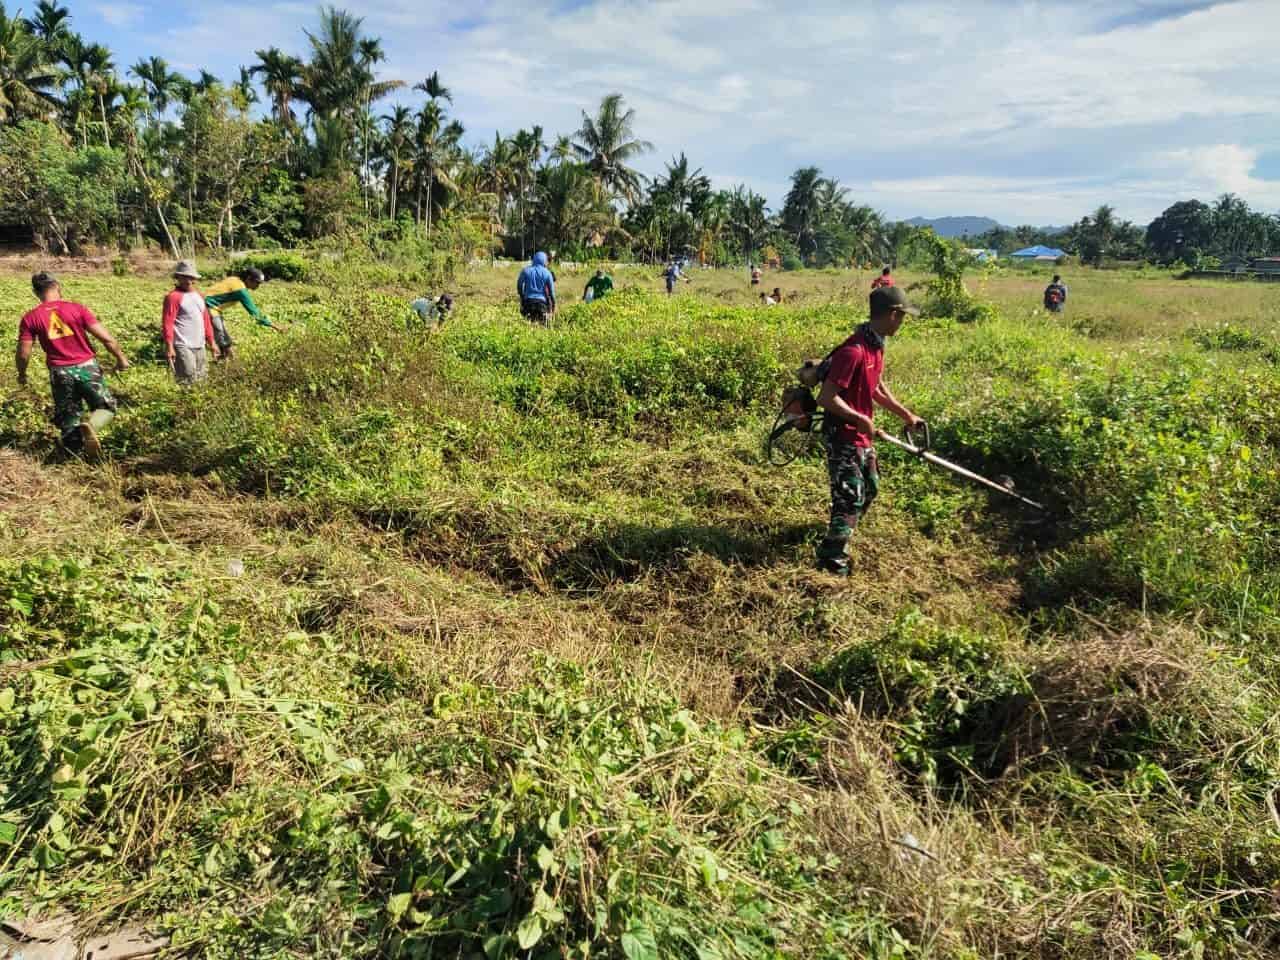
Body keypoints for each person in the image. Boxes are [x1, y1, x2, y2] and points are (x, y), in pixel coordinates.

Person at [815, 285, 925, 576]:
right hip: (843, 435)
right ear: (891, 314)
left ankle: (842, 525)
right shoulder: (853, 351)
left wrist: (906, 415)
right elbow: (826, 398)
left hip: (861, 435)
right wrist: (860, 418)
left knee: (870, 488)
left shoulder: (875, 346)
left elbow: (875, 388)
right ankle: (831, 559)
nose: (902, 323)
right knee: (851, 495)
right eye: (902, 317)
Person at [16, 271, 129, 458]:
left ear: (36, 292)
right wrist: (121, 359)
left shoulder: (30, 318)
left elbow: (23, 352)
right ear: (58, 286)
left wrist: (22, 374)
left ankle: (72, 460)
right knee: (106, 407)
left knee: (69, 418)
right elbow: (107, 339)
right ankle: (91, 427)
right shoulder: (77, 309)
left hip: (59, 372)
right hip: (87, 368)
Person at [203, 267, 280, 359]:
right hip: (207, 306)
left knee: (222, 335)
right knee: (220, 334)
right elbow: (254, 311)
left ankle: (227, 358)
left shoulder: (235, 280)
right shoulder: (240, 289)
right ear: (248, 279)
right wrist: (274, 326)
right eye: (257, 283)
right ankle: (223, 358)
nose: (258, 286)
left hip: (211, 306)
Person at [162, 260, 219, 383]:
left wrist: (212, 343)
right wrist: (169, 347)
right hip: (182, 345)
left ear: (194, 278)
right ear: (178, 278)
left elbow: (206, 321)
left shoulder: (199, 295)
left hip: (200, 344)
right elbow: (168, 323)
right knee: (187, 379)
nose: (188, 281)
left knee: (202, 379)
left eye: (190, 277)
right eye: (184, 277)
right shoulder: (173, 297)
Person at [517, 251, 556, 323]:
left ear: (534, 260)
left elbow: (519, 285)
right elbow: (552, 293)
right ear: (544, 261)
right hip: (542, 304)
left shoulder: (525, 271)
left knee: (527, 325)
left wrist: (522, 296)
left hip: (528, 303)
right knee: (542, 326)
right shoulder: (547, 273)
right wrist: (553, 305)